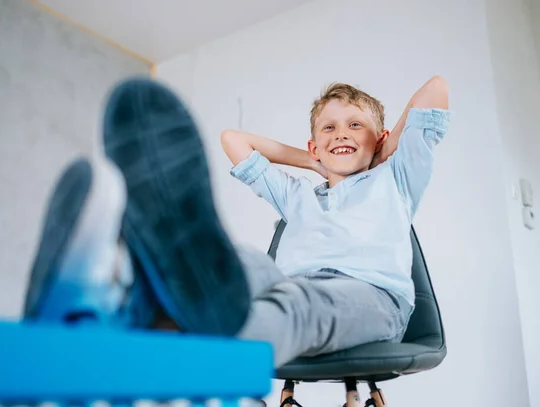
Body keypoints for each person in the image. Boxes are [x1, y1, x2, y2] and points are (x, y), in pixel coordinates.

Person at [22, 76, 450, 368]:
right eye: (329, 128)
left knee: (297, 309)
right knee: (242, 264)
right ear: (313, 145)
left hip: (372, 298)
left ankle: (200, 349)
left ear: (378, 140)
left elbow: (435, 89)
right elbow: (235, 141)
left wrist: (384, 148)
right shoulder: (299, 195)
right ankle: (104, 304)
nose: (341, 133)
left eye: (355, 125)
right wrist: (313, 162)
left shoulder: (396, 179)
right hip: (295, 280)